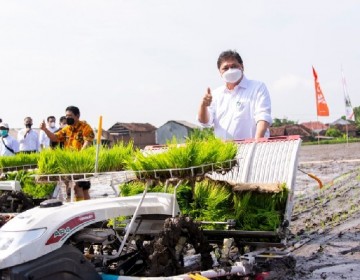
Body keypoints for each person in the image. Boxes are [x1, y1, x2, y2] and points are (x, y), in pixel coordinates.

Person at [198, 50, 272, 140]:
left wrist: (257, 143)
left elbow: (263, 116)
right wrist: (203, 106)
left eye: (234, 66)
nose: (230, 71)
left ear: (242, 66)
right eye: (225, 68)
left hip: (252, 147)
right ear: (220, 72)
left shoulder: (257, 87)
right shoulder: (216, 94)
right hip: (224, 150)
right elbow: (205, 122)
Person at [40, 106, 95, 200]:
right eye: (66, 116)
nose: (67, 118)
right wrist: (45, 129)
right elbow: (54, 137)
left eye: (70, 115)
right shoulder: (67, 129)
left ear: (77, 116)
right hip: (70, 164)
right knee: (83, 189)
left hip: (82, 163)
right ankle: (88, 210)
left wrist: (79, 156)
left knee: (79, 188)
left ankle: (81, 211)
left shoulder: (85, 127)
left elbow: (88, 142)